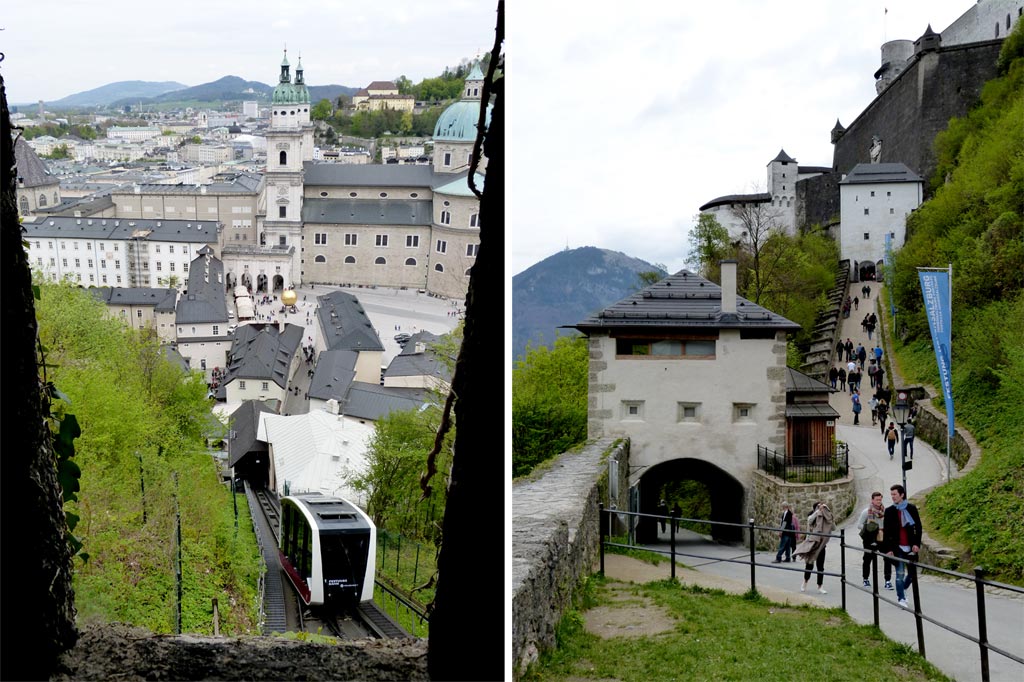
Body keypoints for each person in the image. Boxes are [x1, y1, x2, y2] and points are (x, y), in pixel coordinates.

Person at [884, 484, 922, 608]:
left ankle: (903, 589)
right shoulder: (889, 511)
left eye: (895, 494)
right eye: (892, 494)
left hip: (910, 546)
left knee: (912, 573)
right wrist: (888, 549)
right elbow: (887, 532)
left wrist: (916, 543)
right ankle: (901, 598)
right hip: (897, 547)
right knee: (899, 573)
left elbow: (918, 527)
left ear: (902, 495)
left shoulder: (911, 508)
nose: (893, 497)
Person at [794, 501, 834, 594]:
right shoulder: (811, 517)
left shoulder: (825, 519)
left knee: (820, 567)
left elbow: (834, 527)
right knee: (809, 565)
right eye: (819, 507)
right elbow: (810, 520)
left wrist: (829, 514)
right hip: (811, 544)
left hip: (821, 545)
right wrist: (817, 512)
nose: (821, 509)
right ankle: (805, 582)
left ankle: (820, 586)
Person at [857, 492, 892, 588]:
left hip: (882, 537)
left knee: (887, 557)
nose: (878, 502)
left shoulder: (885, 512)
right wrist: (869, 528)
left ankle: (888, 581)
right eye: (876, 500)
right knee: (868, 558)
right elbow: (859, 525)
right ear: (872, 500)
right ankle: (865, 578)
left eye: (880, 500)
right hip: (870, 538)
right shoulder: (866, 512)